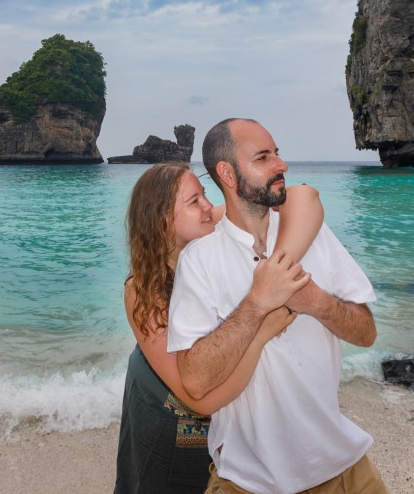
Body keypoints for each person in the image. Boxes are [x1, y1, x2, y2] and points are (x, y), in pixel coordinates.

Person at [167, 119, 389, 494]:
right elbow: (195, 379)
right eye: (263, 157)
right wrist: (256, 304)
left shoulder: (312, 234)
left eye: (278, 153)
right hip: (248, 480)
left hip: (343, 469)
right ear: (228, 173)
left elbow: (367, 333)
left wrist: (316, 301)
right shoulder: (200, 260)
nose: (281, 165)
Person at [114, 161, 325, 493]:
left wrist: (275, 271)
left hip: (229, 423)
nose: (209, 208)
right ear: (162, 220)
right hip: (166, 418)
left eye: (204, 196)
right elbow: (200, 401)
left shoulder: (209, 230)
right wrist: (261, 331)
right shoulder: (143, 292)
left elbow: (304, 197)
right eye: (193, 201)